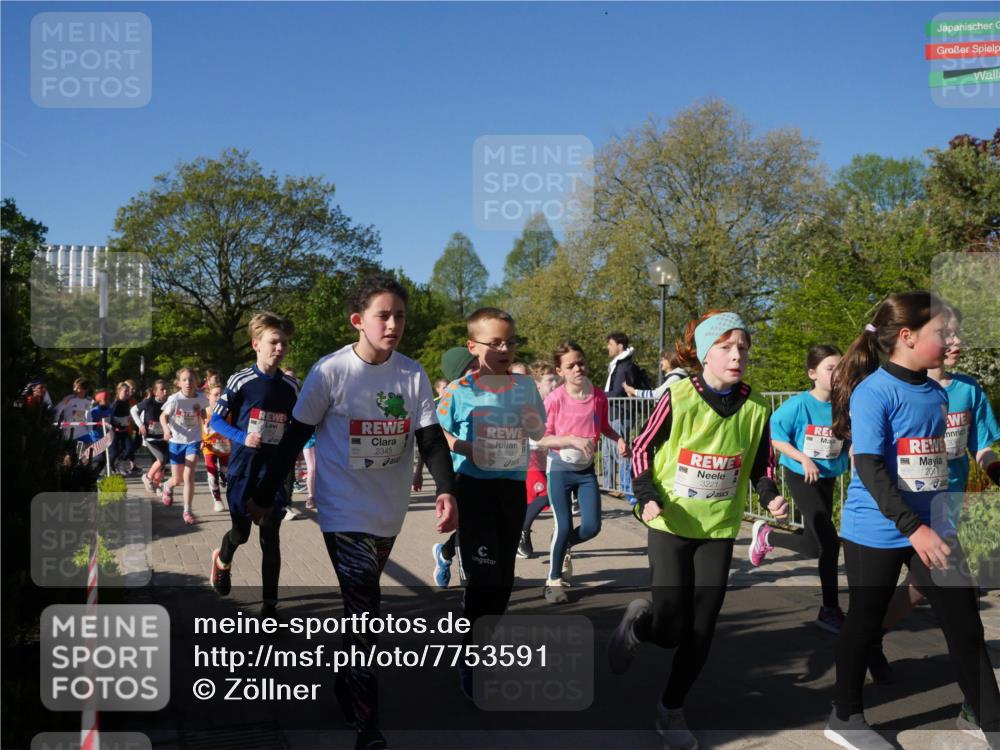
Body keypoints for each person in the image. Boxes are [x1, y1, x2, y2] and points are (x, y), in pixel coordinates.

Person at [247, 275, 457, 750]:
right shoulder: (331, 372)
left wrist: (447, 490)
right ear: (358, 321)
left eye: (400, 315)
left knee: (359, 609)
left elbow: (429, 438)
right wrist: (263, 491)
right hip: (342, 510)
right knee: (366, 610)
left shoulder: (411, 373)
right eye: (384, 315)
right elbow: (296, 436)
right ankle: (368, 727)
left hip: (389, 509)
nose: (393, 324)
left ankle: (347, 678)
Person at [822, 291, 1000, 750]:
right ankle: (845, 717)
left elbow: (932, 468)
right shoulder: (873, 391)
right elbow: (870, 468)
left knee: (965, 623)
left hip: (933, 527)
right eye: (942, 332)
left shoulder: (938, 394)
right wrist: (912, 527)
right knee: (864, 621)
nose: (951, 339)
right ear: (907, 337)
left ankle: (991, 722)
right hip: (876, 530)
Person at [607, 310, 787, 750]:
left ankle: (671, 709)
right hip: (669, 521)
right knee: (670, 626)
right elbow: (642, 449)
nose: (737, 354)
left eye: (742, 346)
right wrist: (646, 493)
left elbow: (762, 465)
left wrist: (770, 497)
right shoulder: (680, 396)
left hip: (719, 528)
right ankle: (642, 624)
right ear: (705, 354)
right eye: (726, 347)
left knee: (702, 627)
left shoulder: (757, 405)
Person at [869, 303, 1000, 709]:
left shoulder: (969, 390)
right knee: (939, 594)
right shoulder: (894, 386)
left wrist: (995, 470)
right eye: (948, 333)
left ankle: (870, 639)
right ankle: (865, 640)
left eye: (959, 334)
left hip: (947, 506)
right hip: (899, 511)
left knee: (928, 588)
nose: (955, 342)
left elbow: (982, 447)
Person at [437, 307, 546, 698]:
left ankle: (479, 640)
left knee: (503, 583)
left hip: (511, 488)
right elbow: (437, 437)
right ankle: (473, 657)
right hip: (474, 487)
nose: (505, 348)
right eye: (495, 342)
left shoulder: (525, 387)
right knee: (485, 577)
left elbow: (538, 428)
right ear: (473, 346)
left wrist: (532, 422)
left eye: (510, 341)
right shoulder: (458, 390)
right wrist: (466, 446)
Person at [746, 345, 849, 633]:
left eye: (840, 368)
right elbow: (775, 436)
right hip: (800, 476)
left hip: (827, 477)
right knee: (829, 542)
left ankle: (767, 535)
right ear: (812, 373)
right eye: (830, 369)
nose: (837, 374)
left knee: (814, 545)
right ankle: (829, 609)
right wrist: (803, 458)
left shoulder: (845, 404)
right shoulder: (798, 404)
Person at [208, 312, 300, 619]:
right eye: (274, 342)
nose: (280, 348)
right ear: (256, 344)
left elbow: (299, 423)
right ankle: (222, 559)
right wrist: (242, 436)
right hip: (243, 468)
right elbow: (216, 420)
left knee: (270, 536)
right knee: (241, 533)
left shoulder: (290, 386)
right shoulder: (240, 381)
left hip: (273, 472)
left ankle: (270, 607)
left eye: (284, 343)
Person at [536, 341, 629, 603]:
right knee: (563, 524)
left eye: (581, 362)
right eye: (571, 365)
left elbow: (605, 426)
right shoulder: (555, 399)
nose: (578, 368)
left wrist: (618, 439)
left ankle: (563, 544)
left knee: (591, 527)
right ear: (560, 371)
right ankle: (553, 581)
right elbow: (542, 438)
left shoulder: (598, 396)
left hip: (586, 471)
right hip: (560, 471)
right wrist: (571, 440)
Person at [430, 346, 478, 588]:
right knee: (468, 527)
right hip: (461, 471)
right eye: (470, 368)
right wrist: (467, 448)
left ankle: (444, 552)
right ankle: (468, 585)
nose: (477, 371)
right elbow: (439, 433)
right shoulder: (451, 395)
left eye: (477, 366)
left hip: (492, 473)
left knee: (480, 526)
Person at [517, 360, 561, 559]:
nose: (554, 384)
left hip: (546, 457)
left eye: (555, 379)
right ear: (536, 384)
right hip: (528, 455)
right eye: (549, 380)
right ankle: (521, 532)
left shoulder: (555, 402)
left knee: (541, 498)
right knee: (547, 493)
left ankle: (521, 533)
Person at [160, 368, 209, 525]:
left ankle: (187, 510)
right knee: (177, 479)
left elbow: (203, 412)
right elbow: (163, 416)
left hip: (192, 441)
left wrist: (205, 420)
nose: (188, 382)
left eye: (191, 379)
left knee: (189, 476)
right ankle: (167, 486)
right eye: (185, 380)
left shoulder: (201, 398)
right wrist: (166, 429)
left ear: (196, 382)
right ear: (179, 383)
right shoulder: (175, 399)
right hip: (176, 441)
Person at [132, 379, 169, 495]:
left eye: (166, 389)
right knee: (162, 459)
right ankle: (147, 477)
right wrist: (140, 425)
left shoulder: (168, 402)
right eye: (162, 389)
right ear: (155, 392)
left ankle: (156, 484)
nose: (165, 391)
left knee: (163, 462)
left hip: (162, 437)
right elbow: (133, 410)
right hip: (150, 438)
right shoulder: (149, 402)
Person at [202, 384, 232, 513]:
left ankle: (223, 479)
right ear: (208, 396)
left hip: (225, 447)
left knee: (225, 474)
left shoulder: (229, 412)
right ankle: (217, 500)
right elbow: (195, 428)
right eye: (215, 395)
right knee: (212, 473)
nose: (219, 397)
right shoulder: (204, 412)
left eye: (221, 394)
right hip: (209, 447)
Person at [624, 349, 689, 401]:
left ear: (671, 360)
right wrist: (635, 394)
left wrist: (634, 391)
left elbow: (657, 394)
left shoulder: (675, 378)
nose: (661, 362)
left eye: (663, 359)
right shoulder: (677, 376)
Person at [109, 382, 135, 475]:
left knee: (130, 448)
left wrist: (129, 418)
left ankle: (118, 463)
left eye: (128, 391)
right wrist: (116, 422)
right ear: (119, 391)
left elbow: (128, 414)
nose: (128, 393)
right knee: (114, 452)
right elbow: (110, 418)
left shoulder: (127, 402)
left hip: (124, 430)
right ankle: (109, 466)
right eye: (125, 391)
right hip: (115, 431)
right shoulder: (115, 404)